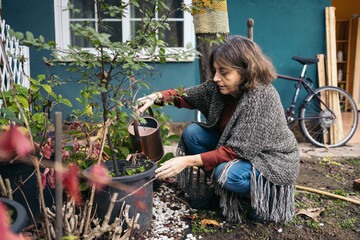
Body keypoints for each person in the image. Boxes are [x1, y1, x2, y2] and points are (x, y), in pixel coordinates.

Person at [137, 35, 300, 223]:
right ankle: (220, 193)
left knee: (226, 174)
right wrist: (156, 97)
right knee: (193, 134)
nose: (216, 78)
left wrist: (186, 161)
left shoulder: (262, 97)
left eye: (224, 72)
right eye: (215, 71)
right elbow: (187, 96)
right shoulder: (218, 89)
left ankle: (268, 200)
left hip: (272, 160)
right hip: (241, 153)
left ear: (245, 71)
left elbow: (237, 151)